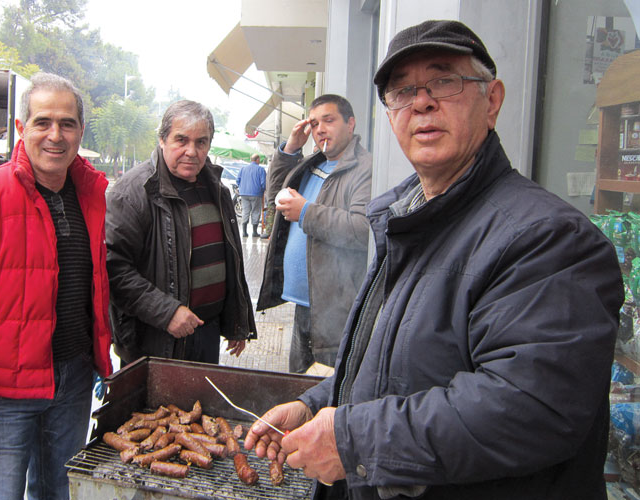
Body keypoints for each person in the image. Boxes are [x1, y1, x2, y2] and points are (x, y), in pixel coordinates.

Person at [245, 20, 623, 500]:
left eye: (444, 81)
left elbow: (531, 408)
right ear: (390, 117)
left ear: (492, 101)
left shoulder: (550, 239)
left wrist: (353, 439)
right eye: (403, 91)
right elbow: (392, 362)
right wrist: (317, 403)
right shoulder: (407, 220)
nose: (421, 103)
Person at [0, 72, 113, 500]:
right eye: (43, 122)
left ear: (81, 131)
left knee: (58, 493)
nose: (55, 135)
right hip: (2, 390)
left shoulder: (91, 195)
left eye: (67, 124)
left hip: (73, 382)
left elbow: (99, 286)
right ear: (21, 128)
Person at [106, 99, 256, 367]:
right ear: (162, 139)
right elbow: (114, 269)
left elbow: (230, 259)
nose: (191, 151)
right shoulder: (132, 193)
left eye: (201, 142)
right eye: (181, 140)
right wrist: (166, 312)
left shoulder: (216, 187)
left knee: (201, 395)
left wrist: (236, 322)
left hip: (207, 331)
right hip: (154, 337)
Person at [257, 94, 372, 374]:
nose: (320, 129)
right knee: (298, 387)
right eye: (314, 123)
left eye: (328, 120)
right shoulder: (312, 163)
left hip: (335, 309)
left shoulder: (365, 168)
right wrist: (291, 149)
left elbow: (362, 230)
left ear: (351, 124)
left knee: (326, 389)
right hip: (303, 305)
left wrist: (306, 212)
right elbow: (275, 196)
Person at [236, 152, 267, 237]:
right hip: (256, 193)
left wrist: (242, 188)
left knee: (245, 211)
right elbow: (263, 183)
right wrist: (262, 190)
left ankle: (244, 232)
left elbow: (238, 180)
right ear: (257, 160)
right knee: (255, 211)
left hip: (244, 193)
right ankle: (254, 232)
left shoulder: (243, 169)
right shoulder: (261, 169)